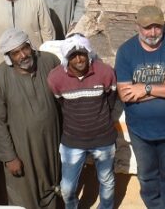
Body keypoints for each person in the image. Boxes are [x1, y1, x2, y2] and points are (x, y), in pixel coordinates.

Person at [116, 6, 165, 209]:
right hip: (140, 131)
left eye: (157, 27)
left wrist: (145, 88)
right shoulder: (126, 51)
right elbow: (125, 94)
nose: (152, 32)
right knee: (147, 177)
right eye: (147, 27)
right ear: (137, 27)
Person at [0, 28, 62, 208]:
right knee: (25, 192)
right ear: (8, 57)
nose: (23, 55)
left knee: (53, 184)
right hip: (23, 149)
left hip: (51, 142)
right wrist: (9, 157)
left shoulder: (49, 61)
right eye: (16, 53)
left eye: (25, 48)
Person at [45, 35, 119, 209]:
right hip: (73, 141)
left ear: (88, 53)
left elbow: (110, 99)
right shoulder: (55, 78)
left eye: (82, 54)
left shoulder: (105, 72)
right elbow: (60, 102)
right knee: (67, 187)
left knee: (107, 181)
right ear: (66, 58)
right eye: (73, 55)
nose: (79, 59)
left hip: (103, 139)